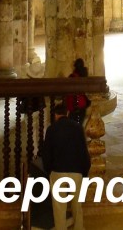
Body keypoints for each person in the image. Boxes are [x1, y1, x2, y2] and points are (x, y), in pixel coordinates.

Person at [42, 100, 91, 230]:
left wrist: (49, 171)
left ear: (55, 115)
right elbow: (84, 152)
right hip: (76, 171)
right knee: (77, 207)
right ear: (67, 113)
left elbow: (46, 154)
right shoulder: (78, 128)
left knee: (59, 208)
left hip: (58, 171)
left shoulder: (51, 130)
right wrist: (84, 172)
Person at [66, 57, 90, 125]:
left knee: (72, 126)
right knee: (79, 125)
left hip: (73, 104)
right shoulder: (84, 75)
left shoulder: (72, 76)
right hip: (82, 104)